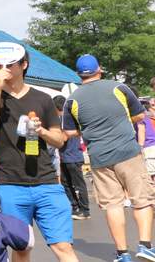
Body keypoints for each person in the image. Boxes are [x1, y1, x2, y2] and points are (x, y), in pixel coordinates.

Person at [0, 44, 77, 262]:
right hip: (11, 185)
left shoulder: (42, 99)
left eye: (10, 64)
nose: (4, 69)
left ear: (24, 65)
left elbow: (59, 140)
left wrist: (41, 131)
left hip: (47, 183)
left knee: (63, 247)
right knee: (21, 248)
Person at [62, 54, 155, 262]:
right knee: (142, 199)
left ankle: (122, 254)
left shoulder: (72, 100)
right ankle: (145, 246)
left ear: (79, 75)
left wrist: (89, 128)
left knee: (113, 205)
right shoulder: (118, 88)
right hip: (128, 153)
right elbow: (140, 115)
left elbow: (69, 132)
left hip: (100, 158)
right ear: (99, 69)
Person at [52, 95, 90, 221]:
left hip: (71, 156)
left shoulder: (63, 119)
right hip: (70, 156)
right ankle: (76, 207)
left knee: (77, 184)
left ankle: (84, 210)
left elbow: (63, 138)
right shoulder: (72, 118)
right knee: (67, 183)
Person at [138, 98, 155, 183]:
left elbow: (141, 132)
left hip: (150, 149)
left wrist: (140, 148)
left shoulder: (142, 117)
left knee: (152, 176)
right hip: (151, 148)